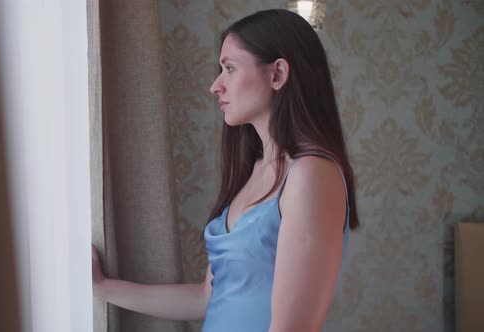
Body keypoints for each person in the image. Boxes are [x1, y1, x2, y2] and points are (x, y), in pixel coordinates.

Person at [92, 8, 359, 332]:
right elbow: (206, 300)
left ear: (277, 74)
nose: (216, 86)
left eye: (229, 69)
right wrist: (104, 288)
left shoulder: (310, 174)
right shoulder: (255, 170)